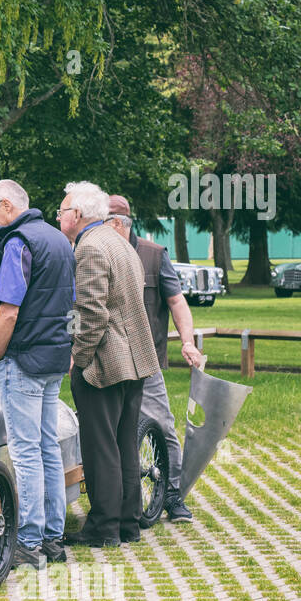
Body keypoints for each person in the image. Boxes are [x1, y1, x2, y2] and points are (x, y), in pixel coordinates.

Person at [0, 180, 75, 570]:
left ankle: (27, 542)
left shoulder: (17, 243)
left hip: (22, 359)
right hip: (54, 358)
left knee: (26, 453)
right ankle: (53, 538)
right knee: (47, 447)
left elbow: (7, 310)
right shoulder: (60, 240)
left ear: (7, 206)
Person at [57, 181, 159, 547]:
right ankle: (128, 524)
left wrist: (79, 360)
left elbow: (90, 314)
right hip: (134, 360)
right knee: (123, 444)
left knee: (101, 447)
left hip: (105, 363)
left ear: (78, 215)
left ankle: (104, 527)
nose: (59, 216)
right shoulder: (118, 240)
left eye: (62, 210)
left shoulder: (90, 247)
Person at [105, 195, 201, 522]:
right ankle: (117, 499)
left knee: (162, 425)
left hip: (146, 361)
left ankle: (173, 495)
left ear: (119, 223)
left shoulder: (154, 255)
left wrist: (187, 342)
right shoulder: (94, 251)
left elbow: (177, 302)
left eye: (104, 223)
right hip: (107, 362)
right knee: (111, 429)